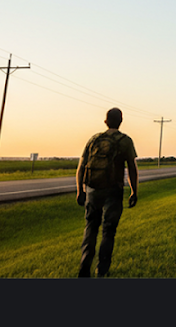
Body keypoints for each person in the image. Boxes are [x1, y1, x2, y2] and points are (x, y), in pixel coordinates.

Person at [75, 107, 138, 278]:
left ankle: (84, 266)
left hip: (92, 190)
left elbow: (81, 167)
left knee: (90, 228)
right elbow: (131, 168)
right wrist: (134, 191)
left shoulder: (94, 139)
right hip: (113, 190)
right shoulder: (125, 141)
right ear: (121, 121)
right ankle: (102, 269)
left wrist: (80, 190)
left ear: (105, 121)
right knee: (108, 230)